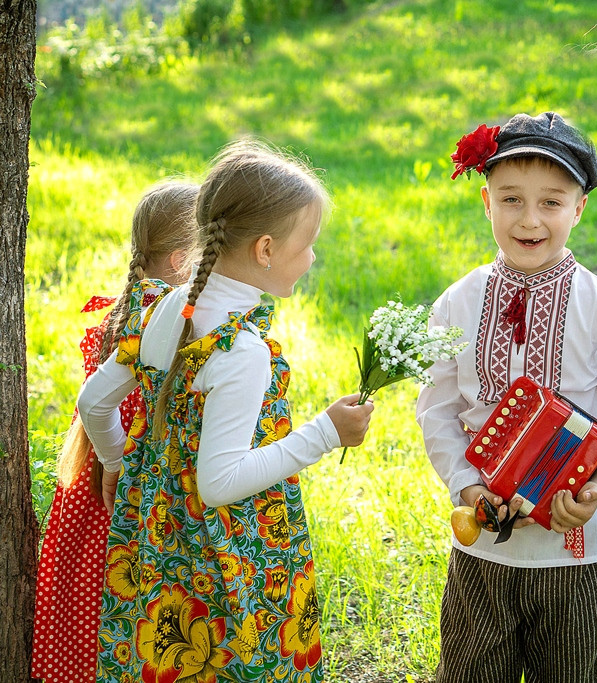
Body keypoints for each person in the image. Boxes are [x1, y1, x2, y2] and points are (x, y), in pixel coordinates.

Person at [77, 139, 374, 682]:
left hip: (159, 539)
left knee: (169, 656)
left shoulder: (164, 306)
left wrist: (117, 463)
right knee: (235, 660)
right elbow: (219, 484)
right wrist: (326, 432)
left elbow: (94, 402)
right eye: (308, 245)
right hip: (231, 552)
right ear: (265, 249)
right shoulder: (241, 351)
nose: (312, 258)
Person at [417, 112, 597, 682]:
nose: (529, 219)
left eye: (551, 202)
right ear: (486, 202)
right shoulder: (458, 303)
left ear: (579, 208)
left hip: (579, 553)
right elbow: (438, 408)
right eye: (511, 200)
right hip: (484, 552)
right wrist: (467, 485)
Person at [31, 180, 201, 683]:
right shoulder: (166, 324)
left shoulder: (124, 313)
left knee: (91, 607)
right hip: (125, 495)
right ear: (180, 261)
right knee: (127, 604)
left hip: (90, 495)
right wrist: (115, 464)